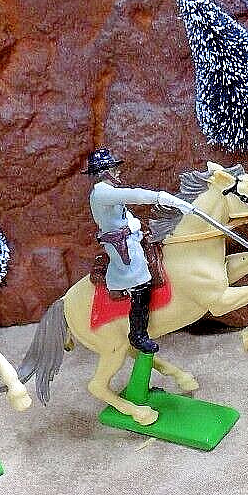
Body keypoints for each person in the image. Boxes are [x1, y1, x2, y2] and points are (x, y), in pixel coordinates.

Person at [85, 148, 201, 355]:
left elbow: (123, 212)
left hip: (130, 238)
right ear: (104, 172)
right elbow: (135, 195)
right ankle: (138, 334)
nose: (118, 172)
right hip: (122, 247)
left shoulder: (108, 192)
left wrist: (133, 223)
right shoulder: (103, 192)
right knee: (141, 283)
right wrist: (166, 199)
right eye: (113, 169)